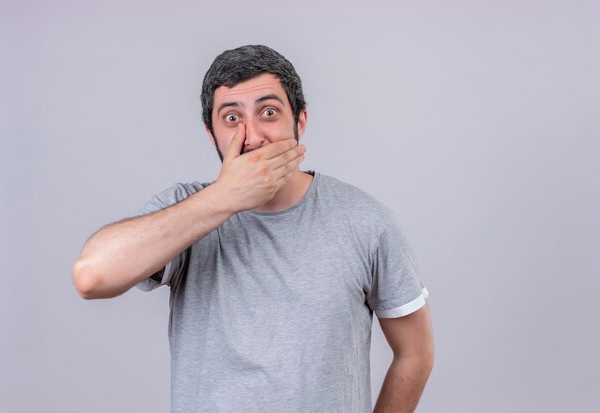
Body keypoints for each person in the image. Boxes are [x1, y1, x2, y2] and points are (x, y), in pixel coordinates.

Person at [72, 44, 434, 413]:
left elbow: (415, 354)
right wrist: (225, 196)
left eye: (269, 112)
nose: (252, 136)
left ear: (300, 122)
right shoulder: (185, 211)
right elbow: (91, 276)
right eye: (231, 118)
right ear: (212, 134)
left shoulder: (368, 222)